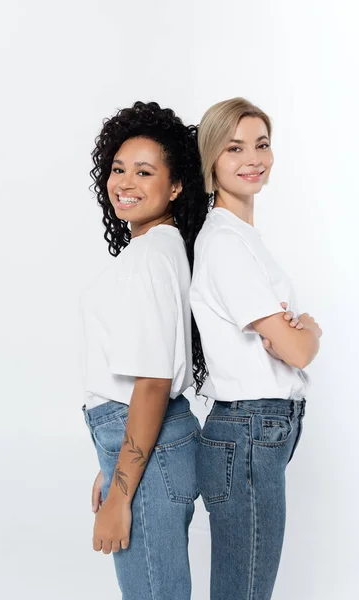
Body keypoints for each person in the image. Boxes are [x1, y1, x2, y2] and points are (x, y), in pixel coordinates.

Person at [190, 97, 323, 600]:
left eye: (262, 144)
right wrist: (309, 331)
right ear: (212, 160)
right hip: (249, 429)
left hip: (257, 429)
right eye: (235, 147)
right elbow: (296, 349)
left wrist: (292, 336)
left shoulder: (243, 237)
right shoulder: (225, 241)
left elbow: (281, 342)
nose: (253, 158)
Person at [80, 101, 208, 599]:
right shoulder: (160, 247)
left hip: (145, 451)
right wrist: (108, 464)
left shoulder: (152, 257)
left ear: (176, 186)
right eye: (117, 169)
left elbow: (153, 380)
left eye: (144, 171)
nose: (125, 182)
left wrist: (122, 490)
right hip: (142, 442)